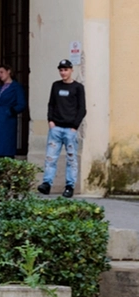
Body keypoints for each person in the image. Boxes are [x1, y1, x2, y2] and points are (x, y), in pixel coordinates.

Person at [39, 60, 87, 198]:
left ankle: (69, 186)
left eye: (66, 70)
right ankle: (46, 184)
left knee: (71, 159)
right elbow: (51, 104)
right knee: (50, 158)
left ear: (71, 70)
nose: (63, 72)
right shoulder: (56, 85)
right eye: (61, 70)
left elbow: (82, 109)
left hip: (70, 129)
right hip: (56, 127)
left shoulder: (78, 87)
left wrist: (74, 127)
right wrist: (50, 121)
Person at [0, 65, 26, 158]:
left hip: (7, 121)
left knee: (5, 147)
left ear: (9, 71)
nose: (0, 75)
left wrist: (10, 111)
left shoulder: (16, 87)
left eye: (2, 72)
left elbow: (21, 104)